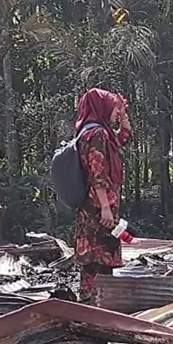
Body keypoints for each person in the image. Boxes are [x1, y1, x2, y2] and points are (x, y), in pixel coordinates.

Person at [73, 88, 131, 302]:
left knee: (98, 257)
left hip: (94, 206)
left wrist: (123, 115)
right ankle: (94, 303)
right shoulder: (97, 134)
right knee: (97, 258)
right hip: (97, 207)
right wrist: (105, 207)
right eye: (113, 108)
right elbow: (97, 174)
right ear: (102, 107)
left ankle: (94, 301)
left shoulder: (94, 132)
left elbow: (123, 138)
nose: (115, 112)